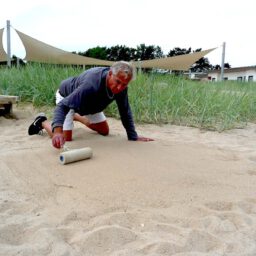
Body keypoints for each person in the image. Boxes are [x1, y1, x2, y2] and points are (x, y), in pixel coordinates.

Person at [28, 61, 153, 149]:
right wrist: (57, 132)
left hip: (90, 104)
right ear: (110, 74)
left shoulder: (121, 89)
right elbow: (62, 106)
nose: (120, 87)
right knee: (66, 137)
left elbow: (125, 111)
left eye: (124, 84)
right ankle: (42, 122)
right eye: (118, 82)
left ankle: (76, 116)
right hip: (67, 98)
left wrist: (133, 136)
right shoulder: (91, 85)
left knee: (104, 131)